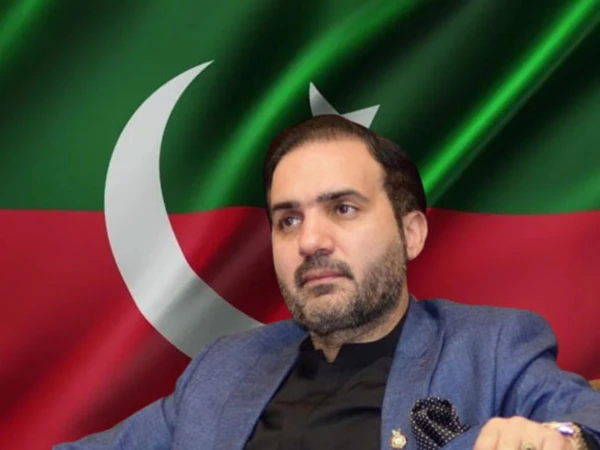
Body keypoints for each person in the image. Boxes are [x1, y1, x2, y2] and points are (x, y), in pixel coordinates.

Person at [56, 115, 600, 450]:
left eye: (342, 208)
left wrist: (561, 438)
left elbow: (587, 418)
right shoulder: (225, 369)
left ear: (411, 233)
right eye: (288, 219)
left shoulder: (490, 347)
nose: (310, 240)